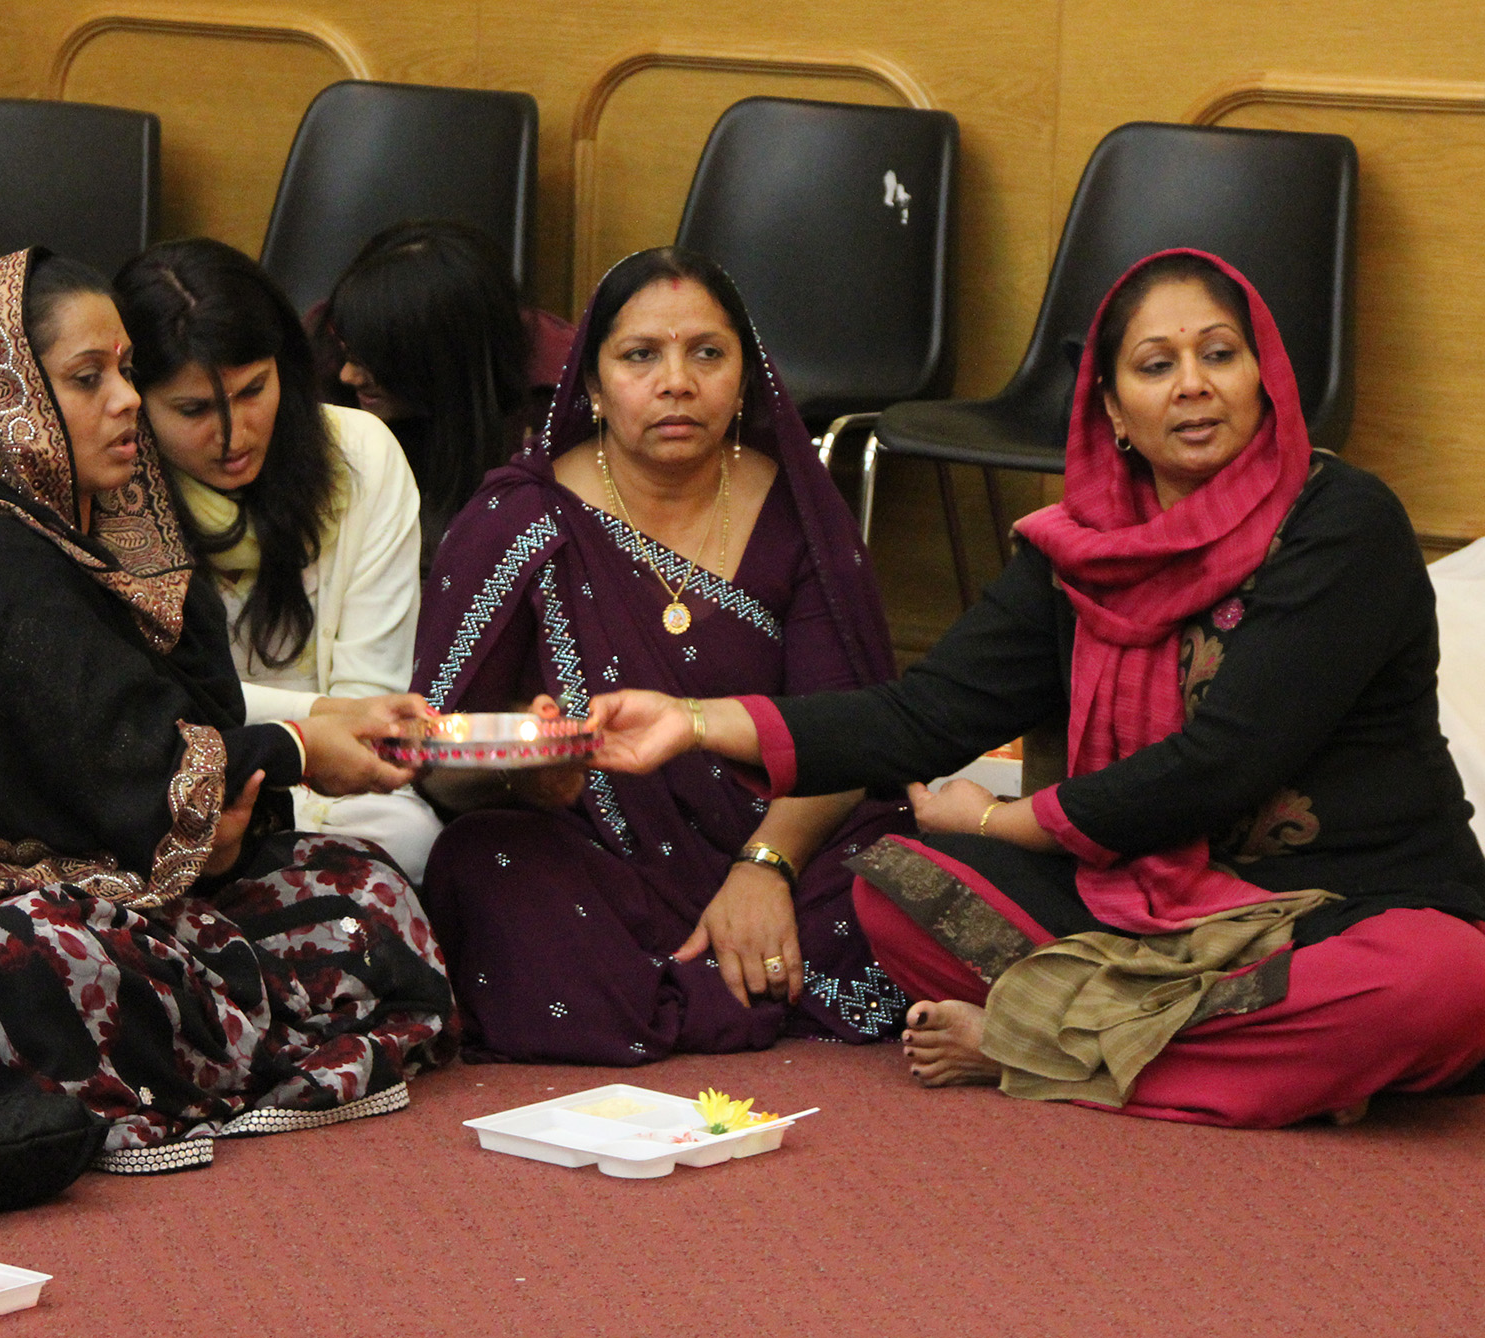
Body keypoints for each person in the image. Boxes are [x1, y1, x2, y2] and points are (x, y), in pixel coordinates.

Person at [589, 249, 1485, 1128]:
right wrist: (694, 720)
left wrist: (1000, 821)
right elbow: (924, 717)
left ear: (1266, 380)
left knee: (1444, 984)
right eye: (1155, 365)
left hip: (1344, 905)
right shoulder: (1078, 555)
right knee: (894, 893)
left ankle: (1038, 1045)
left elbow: (1225, 766)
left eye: (1219, 355)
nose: (1193, 384)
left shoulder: (1341, 524)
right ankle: (1270, 1062)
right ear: (1112, 409)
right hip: (1141, 912)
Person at [0, 249, 455, 1174]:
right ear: (6, 393)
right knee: (36, 961)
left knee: (365, 887)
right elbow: (118, 759)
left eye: (127, 371)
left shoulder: (127, 526)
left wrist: (220, 819)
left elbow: (187, 731)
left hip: (131, 879)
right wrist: (288, 753)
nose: (126, 400)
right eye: (86, 378)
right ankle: (165, 1068)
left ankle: (186, 1057)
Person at [411, 246, 913, 1065]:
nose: (676, 381)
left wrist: (765, 867)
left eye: (706, 354)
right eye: (641, 355)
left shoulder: (799, 516)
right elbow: (434, 750)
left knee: (918, 869)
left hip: (787, 845)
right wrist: (529, 771)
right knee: (484, 865)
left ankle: (684, 981)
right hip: (595, 864)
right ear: (594, 385)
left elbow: (846, 734)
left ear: (745, 378)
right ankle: (735, 988)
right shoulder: (521, 518)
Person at [115, 238, 443, 881]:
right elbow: (143, 707)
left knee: (410, 841)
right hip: (176, 785)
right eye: (194, 410)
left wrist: (317, 751)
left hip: (339, 792)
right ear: (135, 401)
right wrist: (308, 724)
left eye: (252, 390)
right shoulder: (108, 488)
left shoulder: (361, 454)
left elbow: (369, 706)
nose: (234, 436)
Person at [309, 220, 574, 571]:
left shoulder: (557, 404)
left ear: (442, 364)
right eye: (349, 356)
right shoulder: (327, 343)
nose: (348, 375)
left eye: (370, 364)